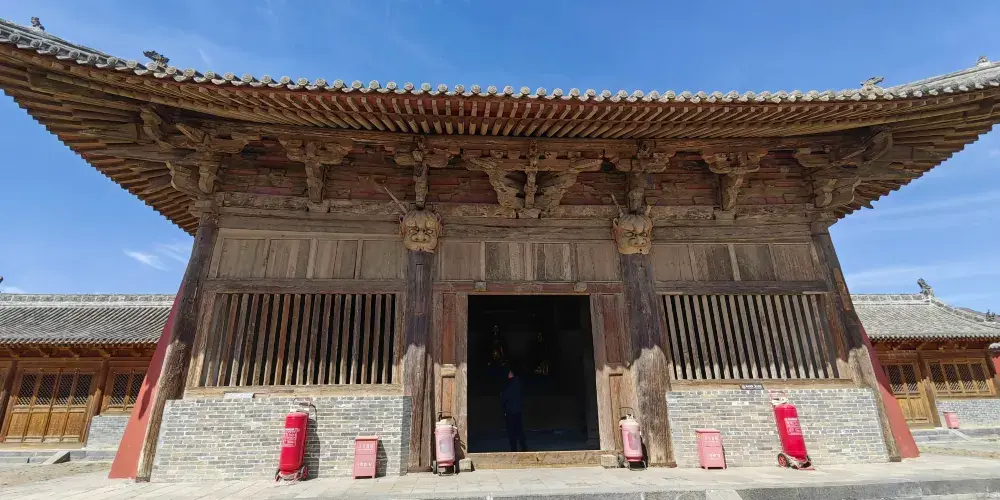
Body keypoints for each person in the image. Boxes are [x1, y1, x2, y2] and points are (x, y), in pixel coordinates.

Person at [501, 368, 527, 452]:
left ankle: (514, 450)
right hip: (518, 410)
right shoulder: (519, 383)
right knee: (519, 430)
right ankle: (524, 448)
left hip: (511, 411)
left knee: (512, 432)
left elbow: (504, 397)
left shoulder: (510, 384)